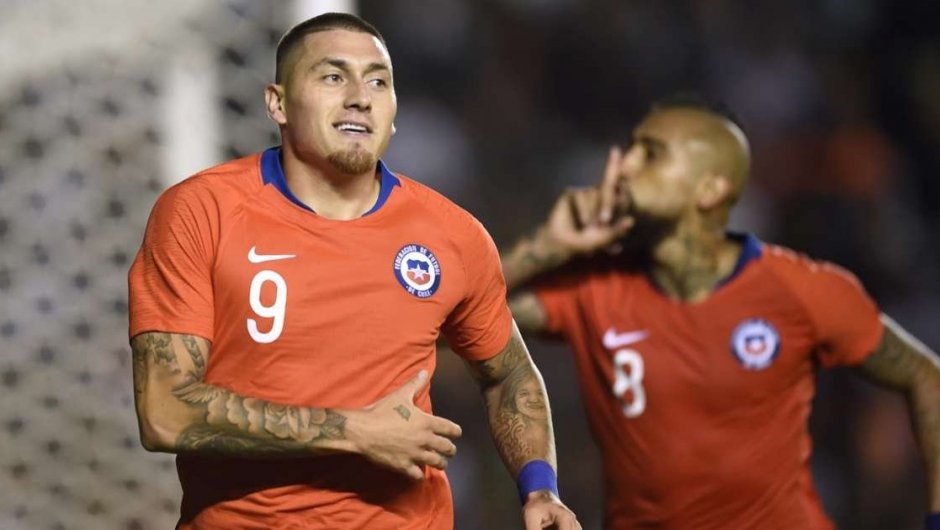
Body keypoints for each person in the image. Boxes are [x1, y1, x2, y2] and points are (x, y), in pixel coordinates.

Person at [127, 12, 580, 530]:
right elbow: (164, 411)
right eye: (333, 76)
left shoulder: (453, 235)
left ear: (393, 110)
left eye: (378, 81)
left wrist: (540, 487)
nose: (360, 96)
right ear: (277, 102)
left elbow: (509, 373)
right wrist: (353, 430)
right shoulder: (201, 212)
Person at [500, 94, 940, 529]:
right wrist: (545, 247)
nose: (625, 164)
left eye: (650, 154)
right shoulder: (592, 286)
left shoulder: (801, 290)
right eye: (631, 147)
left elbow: (923, 374)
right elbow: (459, 321)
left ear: (710, 189)